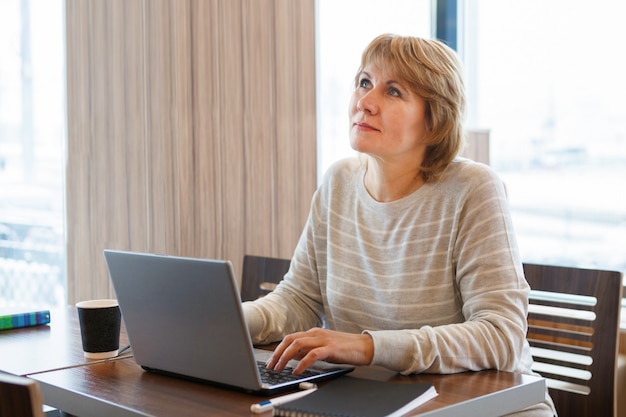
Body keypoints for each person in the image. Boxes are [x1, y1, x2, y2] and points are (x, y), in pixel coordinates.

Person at [242, 33, 556, 416]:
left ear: (434, 121)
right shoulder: (338, 181)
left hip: (488, 405)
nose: (365, 102)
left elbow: (501, 335)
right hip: (376, 400)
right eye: (364, 83)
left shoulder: (473, 188)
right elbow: (300, 300)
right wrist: (230, 320)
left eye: (393, 92)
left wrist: (369, 346)